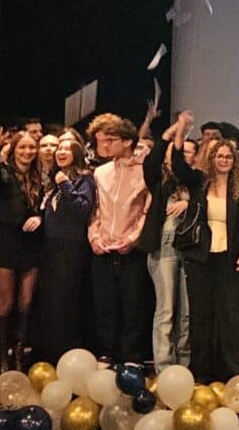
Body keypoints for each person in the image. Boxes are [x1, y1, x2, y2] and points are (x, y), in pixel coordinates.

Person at [172, 111, 239, 381]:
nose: (224, 160)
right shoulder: (200, 183)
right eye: (219, 156)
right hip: (201, 259)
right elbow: (178, 166)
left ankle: (233, 371)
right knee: (202, 317)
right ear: (212, 159)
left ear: (234, 162)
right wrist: (181, 130)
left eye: (228, 157)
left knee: (231, 317)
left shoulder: (238, 190)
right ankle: (202, 373)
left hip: (229, 259)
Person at [87, 113, 155, 365]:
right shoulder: (101, 172)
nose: (103, 146)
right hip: (103, 248)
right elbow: (95, 209)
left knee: (133, 304)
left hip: (131, 249)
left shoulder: (144, 171)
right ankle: (106, 352)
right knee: (105, 304)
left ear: (127, 141)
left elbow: (147, 209)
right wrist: (94, 237)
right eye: (99, 141)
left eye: (109, 140)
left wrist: (133, 239)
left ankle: (132, 356)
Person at [137, 111, 194, 374]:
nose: (182, 155)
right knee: (167, 310)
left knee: (186, 313)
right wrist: (172, 132)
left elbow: (202, 201)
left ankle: (183, 366)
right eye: (176, 152)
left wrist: (188, 202)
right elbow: (153, 160)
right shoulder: (158, 181)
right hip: (164, 248)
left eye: (187, 152)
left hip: (191, 251)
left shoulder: (196, 182)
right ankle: (164, 367)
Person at [0, 129, 44, 372]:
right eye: (23, 148)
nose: (28, 152)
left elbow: (45, 205)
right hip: (5, 241)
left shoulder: (40, 176)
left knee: (26, 302)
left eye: (32, 148)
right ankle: (1, 358)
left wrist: (39, 217)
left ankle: (19, 354)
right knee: (5, 304)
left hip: (31, 244)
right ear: (14, 151)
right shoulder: (3, 173)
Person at [38, 137, 96, 362]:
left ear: (76, 153)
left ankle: (67, 352)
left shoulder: (84, 181)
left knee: (67, 301)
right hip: (51, 247)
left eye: (66, 149)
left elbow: (82, 210)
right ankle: (51, 352)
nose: (60, 152)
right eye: (58, 149)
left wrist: (65, 184)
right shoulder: (54, 182)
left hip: (71, 248)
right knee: (51, 301)